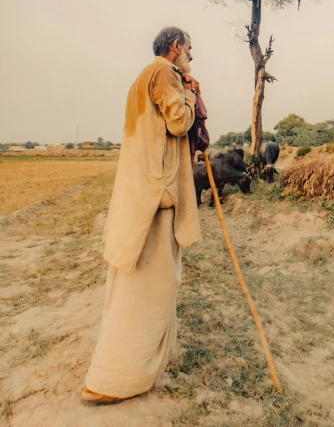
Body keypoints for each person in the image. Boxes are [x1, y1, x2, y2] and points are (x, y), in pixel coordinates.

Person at [81, 27, 201, 406]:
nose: (192, 58)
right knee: (151, 289)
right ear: (176, 46)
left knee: (136, 287)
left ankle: (123, 371)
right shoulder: (165, 74)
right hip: (156, 198)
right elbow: (180, 122)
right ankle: (116, 380)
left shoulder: (140, 79)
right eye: (190, 50)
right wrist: (192, 93)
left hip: (140, 195)